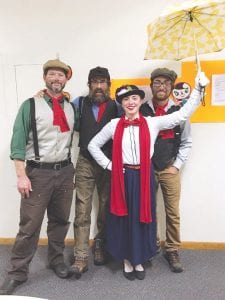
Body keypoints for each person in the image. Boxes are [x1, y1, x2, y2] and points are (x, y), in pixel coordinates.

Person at [87, 71, 209, 280]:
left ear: (140, 100)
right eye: (126, 99)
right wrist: (109, 165)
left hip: (143, 177)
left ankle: (139, 258)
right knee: (124, 219)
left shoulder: (152, 123)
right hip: (123, 177)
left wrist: (198, 90)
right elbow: (93, 145)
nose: (131, 102)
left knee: (143, 219)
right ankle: (127, 259)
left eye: (135, 98)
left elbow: (181, 115)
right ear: (122, 103)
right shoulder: (115, 125)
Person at [0, 59, 77, 295]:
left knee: (60, 221)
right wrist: (22, 176)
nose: (56, 78)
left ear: (66, 79)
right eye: (52, 74)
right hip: (38, 173)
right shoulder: (29, 105)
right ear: (45, 78)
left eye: (60, 75)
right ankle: (17, 273)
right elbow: (18, 144)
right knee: (29, 226)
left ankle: (56, 260)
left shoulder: (71, 106)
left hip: (65, 171)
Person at [140, 68, 192, 273]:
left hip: (169, 167)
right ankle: (151, 245)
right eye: (157, 82)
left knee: (172, 212)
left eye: (166, 83)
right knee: (148, 210)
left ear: (171, 87)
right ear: (152, 85)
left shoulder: (181, 111)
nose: (161, 87)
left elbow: (187, 142)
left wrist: (176, 165)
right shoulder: (141, 109)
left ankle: (172, 249)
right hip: (146, 169)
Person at [70, 67, 118, 277]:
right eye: (95, 82)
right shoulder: (78, 104)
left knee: (106, 207)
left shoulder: (117, 106)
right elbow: (59, 108)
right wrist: (43, 95)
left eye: (103, 82)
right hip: (85, 162)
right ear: (89, 84)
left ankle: (101, 244)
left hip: (108, 163)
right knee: (82, 210)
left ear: (109, 84)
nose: (99, 86)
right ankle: (80, 257)